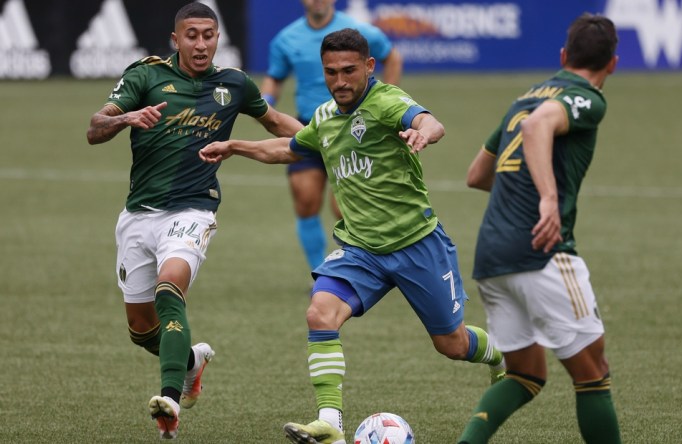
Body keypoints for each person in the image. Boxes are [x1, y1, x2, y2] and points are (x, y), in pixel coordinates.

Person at [199, 28, 503, 444]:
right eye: (330, 73)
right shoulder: (325, 116)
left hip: (417, 244)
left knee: (451, 343)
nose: (340, 81)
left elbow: (431, 123)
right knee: (320, 313)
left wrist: (422, 133)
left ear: (369, 67)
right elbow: (290, 148)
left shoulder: (387, 101)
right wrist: (235, 147)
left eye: (348, 71)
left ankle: (501, 353)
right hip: (361, 249)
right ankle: (330, 423)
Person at [85, 3, 302, 440]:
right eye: (192, 35)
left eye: (209, 35)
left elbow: (278, 123)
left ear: (218, 38)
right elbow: (94, 128)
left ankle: (169, 399)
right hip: (138, 216)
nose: (201, 44)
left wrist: (325, 138)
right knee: (141, 330)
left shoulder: (234, 84)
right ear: (175, 39)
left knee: (170, 289)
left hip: (193, 211)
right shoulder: (145, 76)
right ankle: (190, 362)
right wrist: (128, 116)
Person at [457, 13, 622, 444]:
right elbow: (538, 126)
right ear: (613, 64)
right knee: (593, 373)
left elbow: (476, 174)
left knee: (526, 374)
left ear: (563, 55)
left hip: (492, 255)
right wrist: (547, 197)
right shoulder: (587, 97)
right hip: (543, 253)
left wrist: (522, 188)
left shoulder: (524, 97)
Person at [261, 0, 403, 274]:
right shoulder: (286, 39)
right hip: (307, 125)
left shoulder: (359, 33)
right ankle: (321, 272)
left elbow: (392, 56)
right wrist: (265, 102)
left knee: (345, 208)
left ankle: (369, 266)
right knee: (305, 200)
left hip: (354, 126)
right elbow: (275, 77)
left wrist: (388, 100)